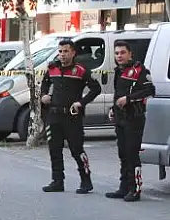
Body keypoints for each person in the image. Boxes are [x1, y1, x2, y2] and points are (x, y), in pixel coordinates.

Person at [40, 39, 101, 194]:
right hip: (54, 115)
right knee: (54, 149)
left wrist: (82, 102)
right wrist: (44, 96)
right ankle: (57, 181)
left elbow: (96, 89)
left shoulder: (80, 70)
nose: (62, 55)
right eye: (60, 51)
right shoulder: (52, 69)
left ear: (73, 53)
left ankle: (86, 181)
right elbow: (44, 85)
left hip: (72, 117)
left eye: (66, 51)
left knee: (77, 149)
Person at [105, 40, 155, 202]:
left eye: (122, 53)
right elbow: (118, 94)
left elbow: (150, 90)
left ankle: (135, 189)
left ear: (130, 54)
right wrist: (113, 109)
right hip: (121, 119)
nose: (119, 56)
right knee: (123, 154)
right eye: (117, 53)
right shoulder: (119, 71)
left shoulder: (140, 70)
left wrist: (129, 99)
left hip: (135, 118)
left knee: (132, 154)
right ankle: (124, 187)